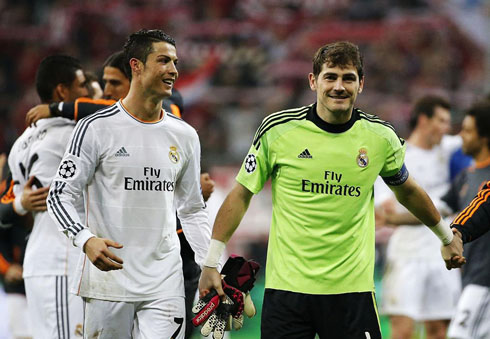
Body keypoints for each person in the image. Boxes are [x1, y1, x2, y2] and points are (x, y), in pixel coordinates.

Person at [198, 41, 465, 339]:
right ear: (314, 81)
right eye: (331, 77)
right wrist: (211, 261)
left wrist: (445, 235)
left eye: (348, 78)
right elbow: (241, 193)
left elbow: (408, 191)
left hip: (351, 293)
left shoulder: (380, 137)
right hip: (287, 293)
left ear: (361, 84)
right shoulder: (278, 130)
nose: (339, 86)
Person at [47, 29, 211, 338]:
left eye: (175, 62)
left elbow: (191, 210)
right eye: (163, 61)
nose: (173, 70)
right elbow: (59, 195)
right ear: (136, 66)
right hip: (108, 281)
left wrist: (210, 263)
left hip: (165, 283)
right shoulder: (94, 128)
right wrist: (85, 239)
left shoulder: (185, 135)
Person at [8, 55, 89, 338]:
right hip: (62, 261)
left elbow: (15, 204)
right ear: (62, 92)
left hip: (41, 259)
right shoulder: (74, 134)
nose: (88, 92)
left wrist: (20, 204)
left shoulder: (20, 142)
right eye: (82, 85)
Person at [377, 96, 462, 339]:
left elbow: (477, 135)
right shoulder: (396, 155)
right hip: (406, 256)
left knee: (439, 332)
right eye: (442, 121)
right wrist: (442, 207)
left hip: (442, 255)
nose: (447, 128)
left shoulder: (447, 149)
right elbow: (389, 212)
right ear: (424, 120)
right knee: (403, 332)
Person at [439, 100, 490, 339]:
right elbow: (438, 210)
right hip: (471, 277)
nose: (461, 136)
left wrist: (456, 233)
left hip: (484, 280)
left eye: (468, 130)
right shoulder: (466, 176)